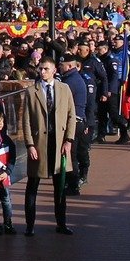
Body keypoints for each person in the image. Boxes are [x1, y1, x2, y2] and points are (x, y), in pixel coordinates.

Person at [20, 59, 79, 236]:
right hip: (39, 144)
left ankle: (61, 223)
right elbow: (26, 121)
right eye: (41, 69)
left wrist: (69, 140)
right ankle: (29, 225)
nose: (42, 72)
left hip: (59, 143)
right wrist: (30, 144)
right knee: (32, 185)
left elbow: (71, 115)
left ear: (54, 70)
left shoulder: (64, 89)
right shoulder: (32, 92)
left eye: (46, 69)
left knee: (59, 186)